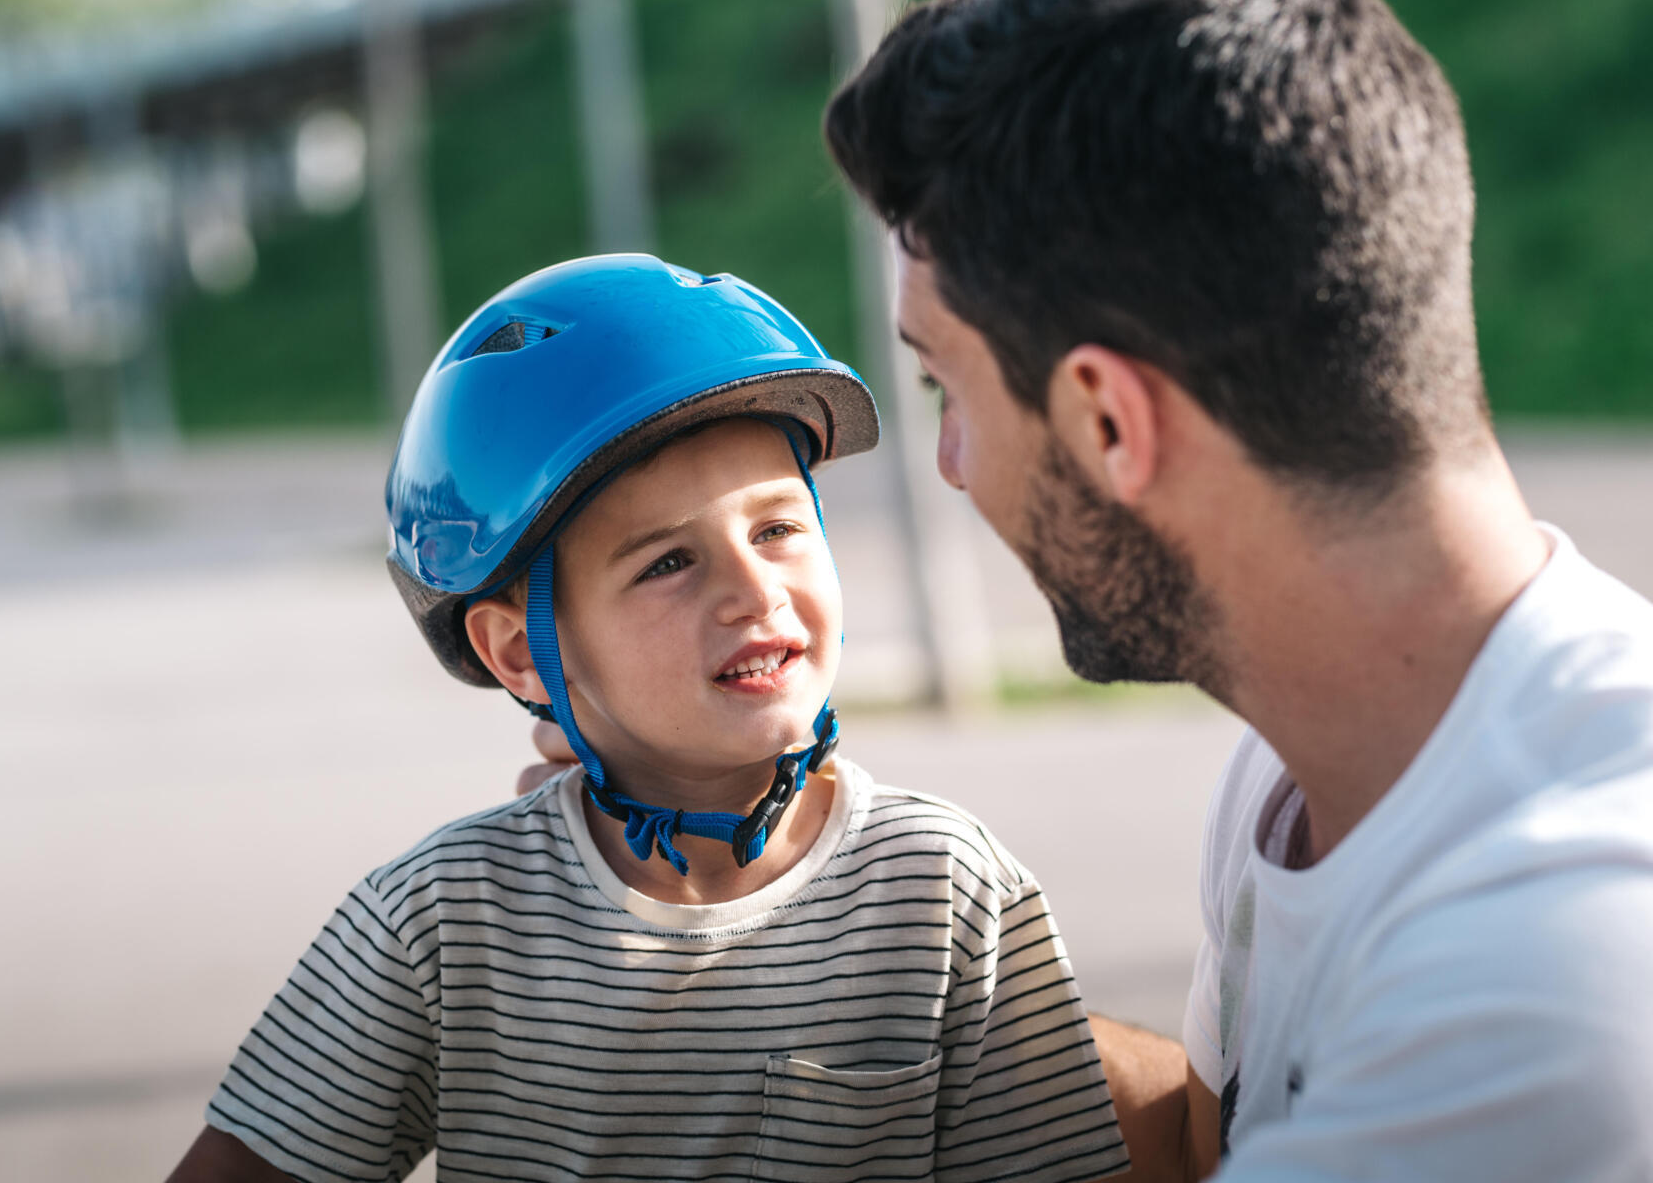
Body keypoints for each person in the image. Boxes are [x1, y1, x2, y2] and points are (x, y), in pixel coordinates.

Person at [811, 0, 1653, 1179]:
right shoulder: (1303, 768)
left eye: (948, 391)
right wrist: (799, 945)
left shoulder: (1546, 978)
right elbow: (1211, 1151)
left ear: (1108, 418)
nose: (951, 466)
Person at [167, 253, 1137, 1183]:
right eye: (668, 562)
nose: (754, 590)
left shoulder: (944, 887)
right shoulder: (443, 921)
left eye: (777, 529)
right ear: (521, 654)